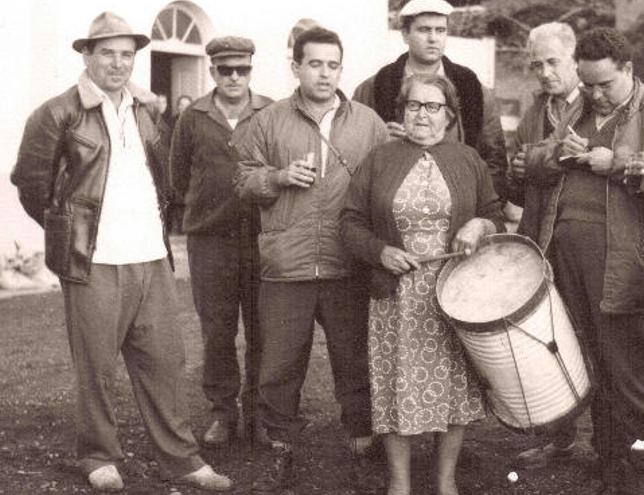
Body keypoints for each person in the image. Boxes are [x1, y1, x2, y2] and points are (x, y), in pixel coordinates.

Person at [9, 12, 231, 492]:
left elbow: (163, 178)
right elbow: (30, 183)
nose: (117, 63)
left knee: (166, 362)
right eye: (107, 52)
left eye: (126, 54)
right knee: (97, 364)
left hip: (150, 256)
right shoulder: (57, 113)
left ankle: (182, 460)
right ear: (86, 55)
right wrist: (67, 231)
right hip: (93, 261)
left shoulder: (144, 110)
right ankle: (98, 456)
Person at [509, 25, 644, 494]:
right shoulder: (578, 108)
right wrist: (563, 156)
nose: (597, 95)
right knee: (595, 372)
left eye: (606, 84)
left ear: (628, 69)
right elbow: (534, 160)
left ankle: (643, 483)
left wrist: (619, 162)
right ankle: (612, 472)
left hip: (623, 274)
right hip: (569, 268)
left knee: (633, 383)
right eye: (588, 85)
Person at [341, 73, 505, 495]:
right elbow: (350, 221)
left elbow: (493, 212)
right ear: (401, 110)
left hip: (453, 292)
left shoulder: (467, 159)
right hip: (397, 295)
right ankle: (400, 483)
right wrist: (381, 252)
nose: (423, 115)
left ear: (449, 115)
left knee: (452, 384)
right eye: (414, 105)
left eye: (433, 107)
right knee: (397, 385)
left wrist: (477, 224)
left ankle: (445, 481)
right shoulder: (380, 159)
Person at [234, 25, 388, 466]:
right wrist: (277, 177)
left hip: (347, 264)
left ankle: (361, 437)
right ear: (296, 66)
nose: (324, 74)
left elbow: (385, 185)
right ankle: (281, 445)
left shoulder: (369, 123)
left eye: (333, 65)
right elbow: (241, 181)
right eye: (315, 64)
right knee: (280, 365)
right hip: (287, 265)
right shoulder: (267, 121)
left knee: (354, 358)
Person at [170, 36, 273, 447]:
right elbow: (178, 178)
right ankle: (223, 413)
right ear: (212, 71)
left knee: (264, 330)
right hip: (211, 241)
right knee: (217, 332)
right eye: (225, 69)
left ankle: (260, 413)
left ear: (251, 69)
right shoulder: (192, 117)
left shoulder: (270, 111)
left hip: (262, 240)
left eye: (241, 69)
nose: (233, 77)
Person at [352, 0, 509, 201]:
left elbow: (494, 158)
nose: (433, 38)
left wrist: (483, 212)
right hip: (391, 208)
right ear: (405, 34)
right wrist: (379, 142)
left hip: (460, 207)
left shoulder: (471, 88)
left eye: (440, 30)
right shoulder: (374, 89)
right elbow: (352, 157)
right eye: (424, 30)